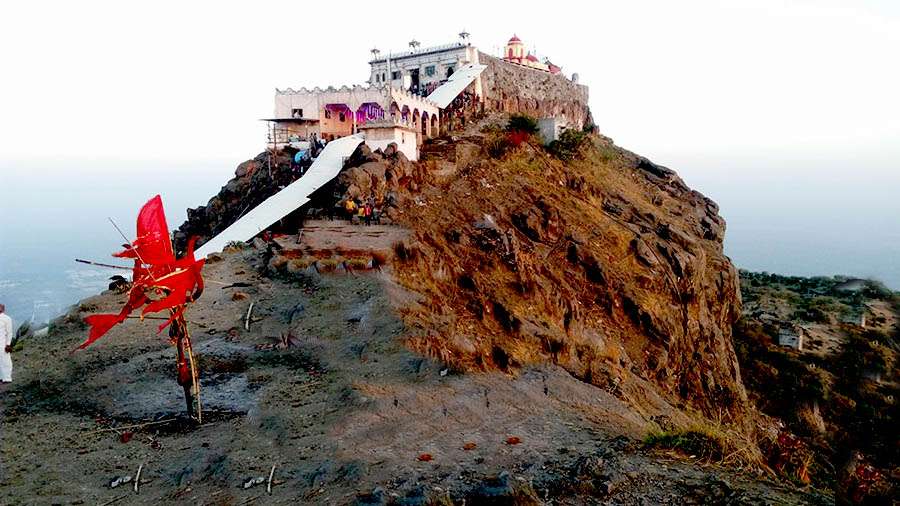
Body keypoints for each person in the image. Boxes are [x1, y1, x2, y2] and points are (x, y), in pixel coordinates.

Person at [0, 304, 13, 383]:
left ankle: (7, 377)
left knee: (5, 359)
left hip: (2, 343)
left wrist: (8, 344)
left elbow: (9, 332)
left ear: (3, 309)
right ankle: (1, 377)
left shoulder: (7, 318)